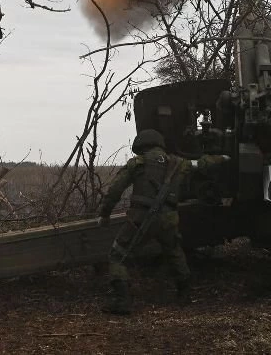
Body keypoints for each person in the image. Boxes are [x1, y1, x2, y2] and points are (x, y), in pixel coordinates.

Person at [97, 128, 227, 315]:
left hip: (140, 219)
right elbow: (202, 163)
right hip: (168, 219)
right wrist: (224, 158)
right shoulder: (179, 163)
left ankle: (122, 301)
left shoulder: (137, 163)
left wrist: (105, 214)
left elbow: (115, 191)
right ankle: (184, 294)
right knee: (174, 252)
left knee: (117, 256)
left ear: (141, 145)